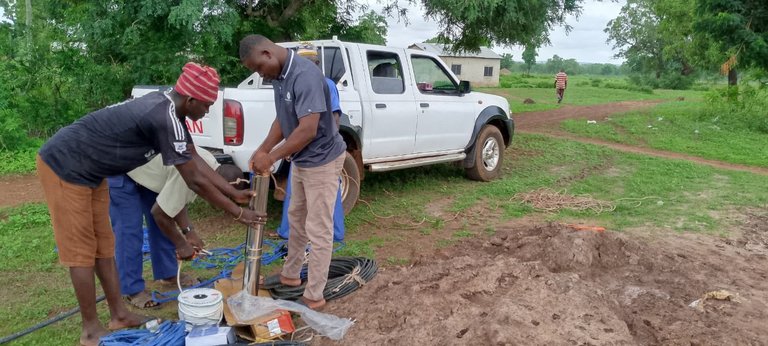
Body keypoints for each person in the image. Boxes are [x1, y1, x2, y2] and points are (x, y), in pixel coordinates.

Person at [36, 62, 265, 346]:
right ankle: (90, 329)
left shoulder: (174, 114)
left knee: (104, 246)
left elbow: (194, 159)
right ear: (191, 99)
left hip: (94, 172)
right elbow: (194, 180)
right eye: (206, 105)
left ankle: (118, 314)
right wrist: (237, 212)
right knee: (82, 251)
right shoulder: (162, 114)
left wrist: (234, 195)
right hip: (66, 165)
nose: (207, 111)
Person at [239, 35, 347, 310]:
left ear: (267, 53)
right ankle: (290, 277)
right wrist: (262, 150)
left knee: (319, 228)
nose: (260, 74)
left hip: (322, 160)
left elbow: (308, 129)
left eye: (258, 68)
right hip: (302, 159)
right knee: (296, 217)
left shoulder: (305, 75)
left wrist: (272, 157)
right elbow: (282, 119)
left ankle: (314, 294)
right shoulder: (280, 77)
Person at [108, 146, 242, 309]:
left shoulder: (210, 166)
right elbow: (160, 213)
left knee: (164, 218)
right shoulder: (193, 172)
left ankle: (168, 273)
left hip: (147, 167)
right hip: (121, 165)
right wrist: (182, 243)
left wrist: (188, 232)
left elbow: (174, 201)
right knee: (129, 230)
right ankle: (132, 289)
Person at [275, 42, 345, 243]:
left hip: (321, 153)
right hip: (300, 151)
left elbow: (334, 119)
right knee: (296, 203)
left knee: (324, 204)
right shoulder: (292, 82)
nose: (306, 65)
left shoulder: (326, 84)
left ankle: (333, 234)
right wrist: (291, 145)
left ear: (316, 63)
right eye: (303, 61)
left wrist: (325, 147)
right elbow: (289, 119)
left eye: (310, 61)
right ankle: (289, 234)